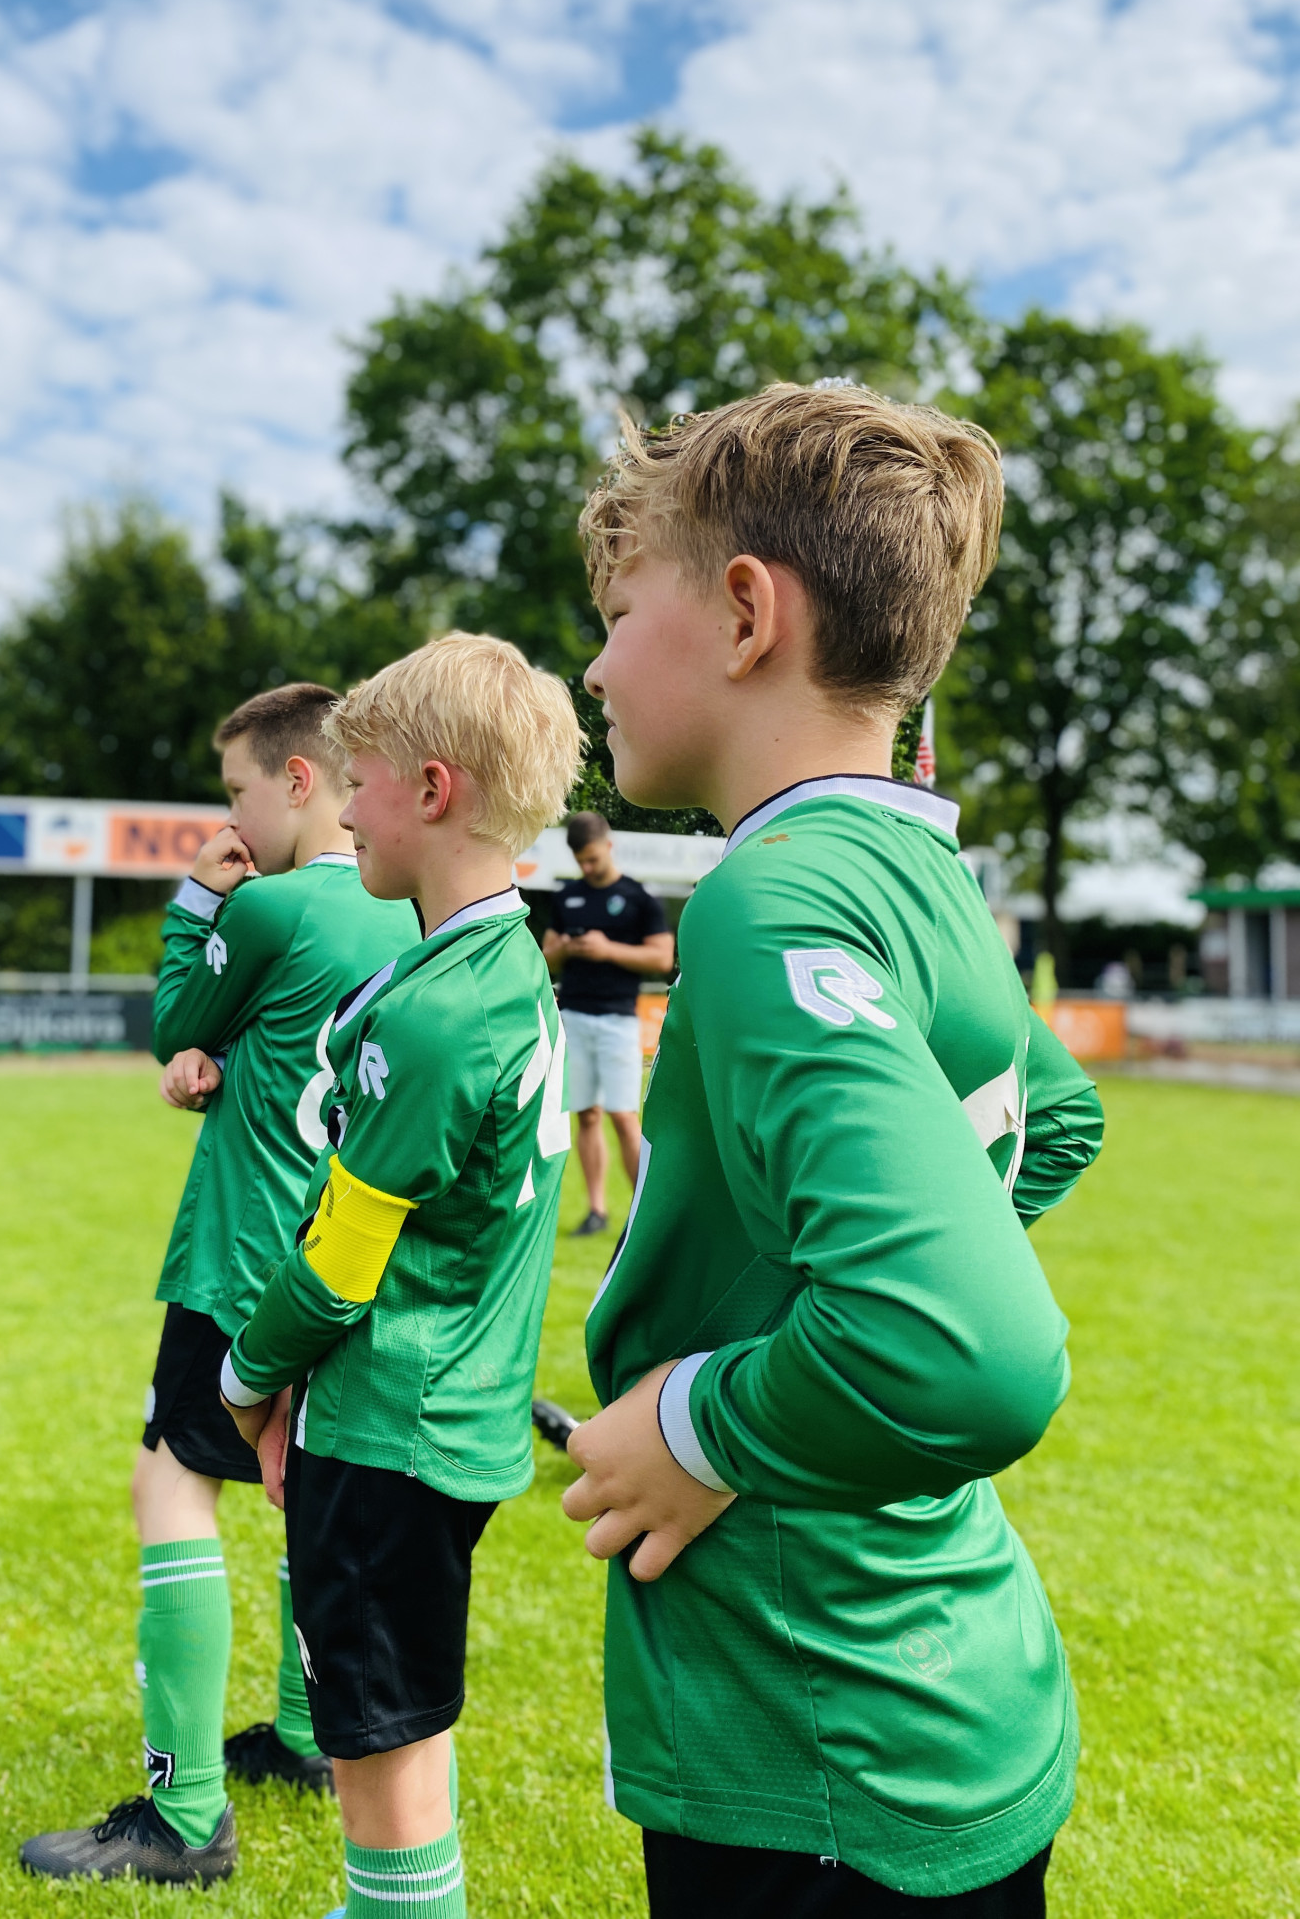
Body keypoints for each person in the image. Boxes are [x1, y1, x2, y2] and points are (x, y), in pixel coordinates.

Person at [560, 385, 1105, 1917]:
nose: (596, 663)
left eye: (615, 612)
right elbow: (1054, 1121)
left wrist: (712, 1425)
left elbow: (975, 1352)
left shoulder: (771, 898)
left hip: (822, 1743)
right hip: (955, 1696)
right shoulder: (923, 869)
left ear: (744, 613)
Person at [20, 683, 419, 1886]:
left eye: (238, 791)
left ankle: (185, 1813)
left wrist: (198, 896)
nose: (230, 819)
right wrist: (226, 1057)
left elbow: (172, 1018)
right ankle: (303, 1739)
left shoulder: (280, 904)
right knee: (299, 1481)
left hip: (242, 1254)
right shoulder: (412, 914)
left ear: (300, 780)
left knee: (171, 1488)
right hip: (342, 1250)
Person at [218, 632, 582, 1919]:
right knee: (395, 1725)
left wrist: (245, 1377)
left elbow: (340, 1260)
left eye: (356, 777)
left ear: (431, 792)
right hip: (442, 1418)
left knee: (376, 1750)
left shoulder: (437, 1009)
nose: (343, 803)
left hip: (391, 1425)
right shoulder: (491, 964)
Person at [540, 812, 673, 1235]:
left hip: (618, 1018)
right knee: (588, 1114)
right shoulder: (566, 898)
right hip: (574, 1016)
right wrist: (560, 949)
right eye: (581, 860)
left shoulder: (638, 899)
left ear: (608, 846)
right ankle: (597, 1210)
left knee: (622, 1115)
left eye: (593, 859)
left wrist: (606, 949)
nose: (588, 868)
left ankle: (643, 1211)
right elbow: (545, 958)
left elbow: (661, 958)